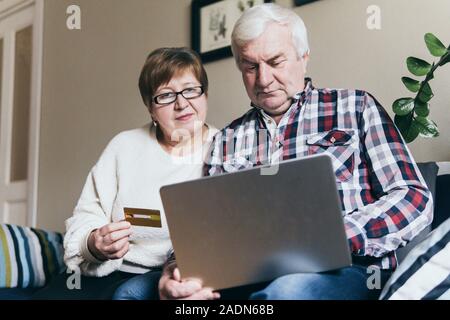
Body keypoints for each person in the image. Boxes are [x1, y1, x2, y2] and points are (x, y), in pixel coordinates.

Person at [158, 4, 433, 300]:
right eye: (250, 67)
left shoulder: (356, 107)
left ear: (304, 57)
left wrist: (338, 235)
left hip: (349, 269)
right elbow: (202, 229)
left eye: (275, 62)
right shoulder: (227, 139)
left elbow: (413, 196)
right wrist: (176, 272)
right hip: (248, 277)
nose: (263, 80)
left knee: (285, 293)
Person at [32, 47, 218, 300]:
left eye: (190, 90)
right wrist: (94, 243)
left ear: (205, 94)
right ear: (150, 109)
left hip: (166, 280)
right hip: (102, 272)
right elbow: (87, 214)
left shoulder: (225, 149)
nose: (181, 103)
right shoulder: (124, 146)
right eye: (165, 95)